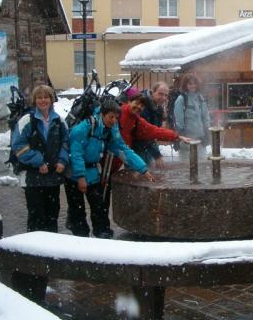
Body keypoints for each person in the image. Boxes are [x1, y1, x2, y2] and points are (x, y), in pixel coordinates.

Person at [65, 99, 154, 238]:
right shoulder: (83, 128)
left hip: (93, 172)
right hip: (73, 175)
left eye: (116, 117)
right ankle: (80, 238)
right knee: (77, 209)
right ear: (102, 114)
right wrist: (80, 177)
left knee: (99, 206)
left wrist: (143, 169)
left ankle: (103, 234)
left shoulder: (110, 129)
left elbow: (122, 149)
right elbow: (76, 154)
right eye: (111, 117)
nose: (114, 120)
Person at [11, 85, 69, 233]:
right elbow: (18, 145)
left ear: (51, 99)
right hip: (33, 177)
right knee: (37, 215)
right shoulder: (27, 120)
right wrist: (38, 162)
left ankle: (51, 249)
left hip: (53, 176)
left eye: (46, 97)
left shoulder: (59, 121)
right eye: (39, 97)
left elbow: (66, 142)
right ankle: (35, 250)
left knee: (52, 214)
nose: (43, 100)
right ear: (34, 100)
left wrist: (62, 160)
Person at [173, 73, 211, 161]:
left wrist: (207, 131)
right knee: (187, 166)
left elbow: (206, 116)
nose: (193, 86)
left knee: (202, 165)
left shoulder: (200, 98)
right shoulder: (181, 99)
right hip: (186, 139)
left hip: (200, 138)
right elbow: (178, 120)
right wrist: (181, 135)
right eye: (190, 83)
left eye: (194, 83)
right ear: (185, 85)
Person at [135, 81, 171, 168]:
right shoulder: (143, 106)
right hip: (137, 148)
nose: (163, 97)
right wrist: (156, 154)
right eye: (160, 94)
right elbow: (146, 133)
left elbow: (155, 132)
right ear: (152, 92)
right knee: (138, 177)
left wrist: (163, 116)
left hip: (147, 147)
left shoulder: (157, 107)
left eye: (166, 95)